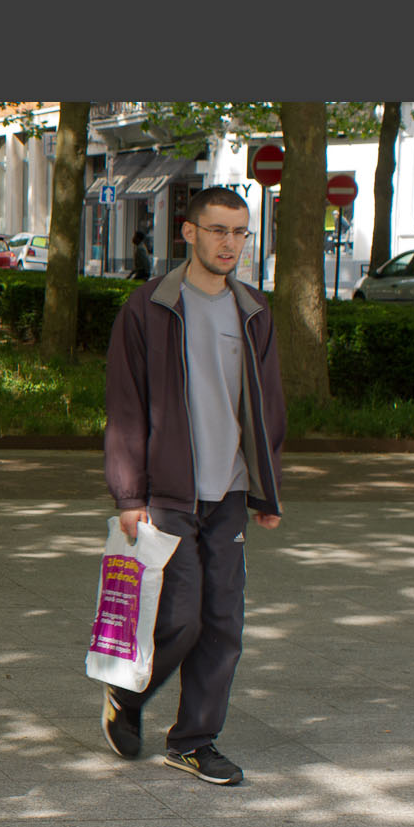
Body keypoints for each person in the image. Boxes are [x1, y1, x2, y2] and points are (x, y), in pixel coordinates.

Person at [100, 186, 285, 787]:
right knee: (180, 619)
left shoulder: (253, 310)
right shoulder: (149, 306)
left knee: (223, 621)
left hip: (227, 492)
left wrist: (265, 489)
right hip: (167, 494)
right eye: (217, 230)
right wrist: (129, 496)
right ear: (188, 232)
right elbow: (126, 407)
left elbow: (267, 406)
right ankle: (127, 697)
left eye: (240, 232)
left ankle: (195, 740)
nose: (229, 243)